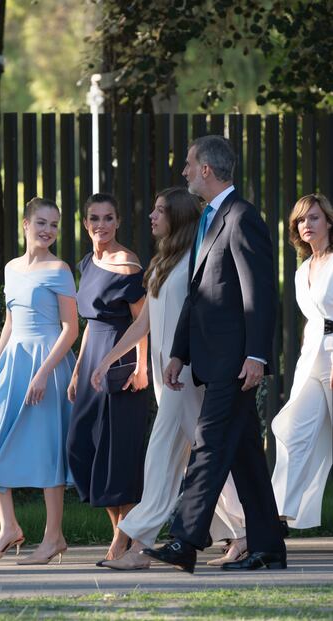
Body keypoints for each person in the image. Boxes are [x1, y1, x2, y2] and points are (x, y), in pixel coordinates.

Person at [142, 135, 286, 573]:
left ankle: (185, 540)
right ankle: (268, 548)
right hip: (211, 361)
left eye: (188, 164)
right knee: (245, 458)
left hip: (235, 362)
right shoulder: (209, 218)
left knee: (206, 447)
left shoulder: (241, 217)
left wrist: (257, 356)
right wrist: (178, 354)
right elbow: (198, 295)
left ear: (206, 168)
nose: (184, 171)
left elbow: (260, 294)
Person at [91, 187, 246, 570]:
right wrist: (108, 359)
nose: (152, 216)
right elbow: (143, 322)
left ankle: (139, 542)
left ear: (176, 217)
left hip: (188, 374)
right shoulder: (161, 263)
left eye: (160, 211)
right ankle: (245, 531)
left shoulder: (196, 260)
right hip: (166, 375)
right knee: (205, 455)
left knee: (162, 453)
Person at [0, 197, 78, 565]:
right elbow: (10, 323)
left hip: (48, 365)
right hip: (13, 364)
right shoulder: (10, 268)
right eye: (41, 222)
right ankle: (8, 527)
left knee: (46, 447)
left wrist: (43, 374)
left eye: (54, 225)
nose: (48, 231)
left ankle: (54, 536)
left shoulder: (60, 269)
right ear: (25, 224)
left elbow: (71, 329)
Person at [66, 192, 149, 563]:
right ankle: (120, 530)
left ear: (118, 222)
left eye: (108, 218)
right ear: (85, 224)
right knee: (82, 447)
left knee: (118, 452)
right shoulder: (87, 262)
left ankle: (122, 537)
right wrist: (77, 369)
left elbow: (143, 321)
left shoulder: (128, 264)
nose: (101, 225)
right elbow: (88, 324)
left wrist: (141, 366)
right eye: (94, 218)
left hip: (121, 359)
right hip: (92, 364)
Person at [272, 193, 333, 530]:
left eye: (314, 218)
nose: (306, 224)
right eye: (301, 220)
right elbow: (312, 321)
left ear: (328, 222)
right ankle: (278, 517)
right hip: (311, 359)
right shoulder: (302, 270)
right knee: (293, 431)